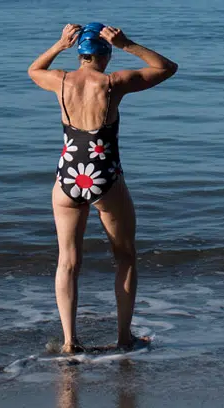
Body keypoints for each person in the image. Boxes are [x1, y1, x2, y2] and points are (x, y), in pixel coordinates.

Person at [28, 23, 178, 354]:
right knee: (125, 256)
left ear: (80, 53)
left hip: (67, 177)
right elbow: (166, 68)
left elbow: (34, 69)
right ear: (105, 54)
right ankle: (124, 339)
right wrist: (128, 44)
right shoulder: (114, 83)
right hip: (103, 177)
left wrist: (58, 45)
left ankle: (69, 342)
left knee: (67, 260)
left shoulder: (60, 80)